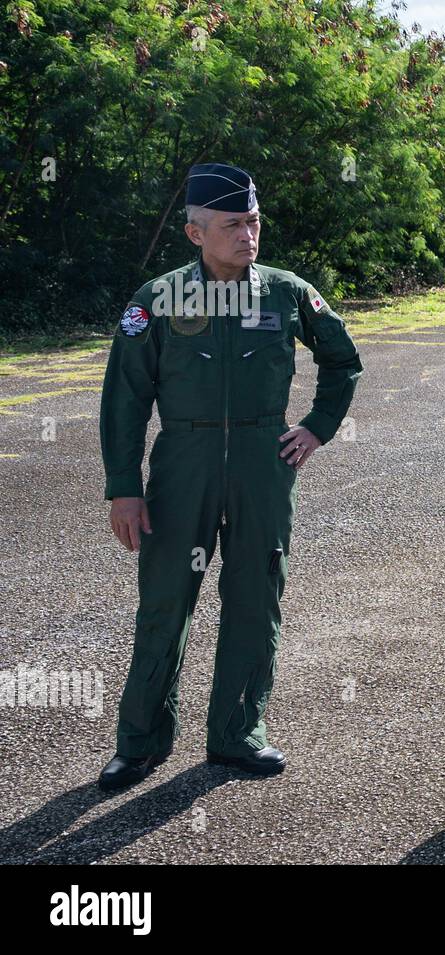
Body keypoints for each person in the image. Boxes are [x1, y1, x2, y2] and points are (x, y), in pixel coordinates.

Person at [98, 163, 363, 790]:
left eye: (253, 223)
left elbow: (342, 362)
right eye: (232, 225)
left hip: (261, 463)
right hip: (182, 465)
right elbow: (125, 399)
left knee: (254, 598)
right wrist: (124, 488)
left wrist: (317, 427)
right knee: (165, 601)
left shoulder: (286, 291)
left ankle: (239, 735)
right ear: (195, 233)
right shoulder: (157, 300)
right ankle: (139, 742)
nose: (248, 236)